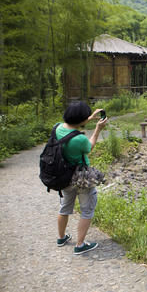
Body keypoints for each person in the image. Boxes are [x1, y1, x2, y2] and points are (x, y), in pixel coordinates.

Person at [56, 101, 107, 255]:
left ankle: (61, 237)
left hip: (64, 176)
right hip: (81, 178)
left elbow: (72, 124)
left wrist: (89, 118)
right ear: (81, 119)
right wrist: (97, 129)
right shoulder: (80, 139)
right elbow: (89, 147)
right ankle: (80, 245)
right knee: (87, 210)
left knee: (65, 207)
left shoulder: (57, 128)